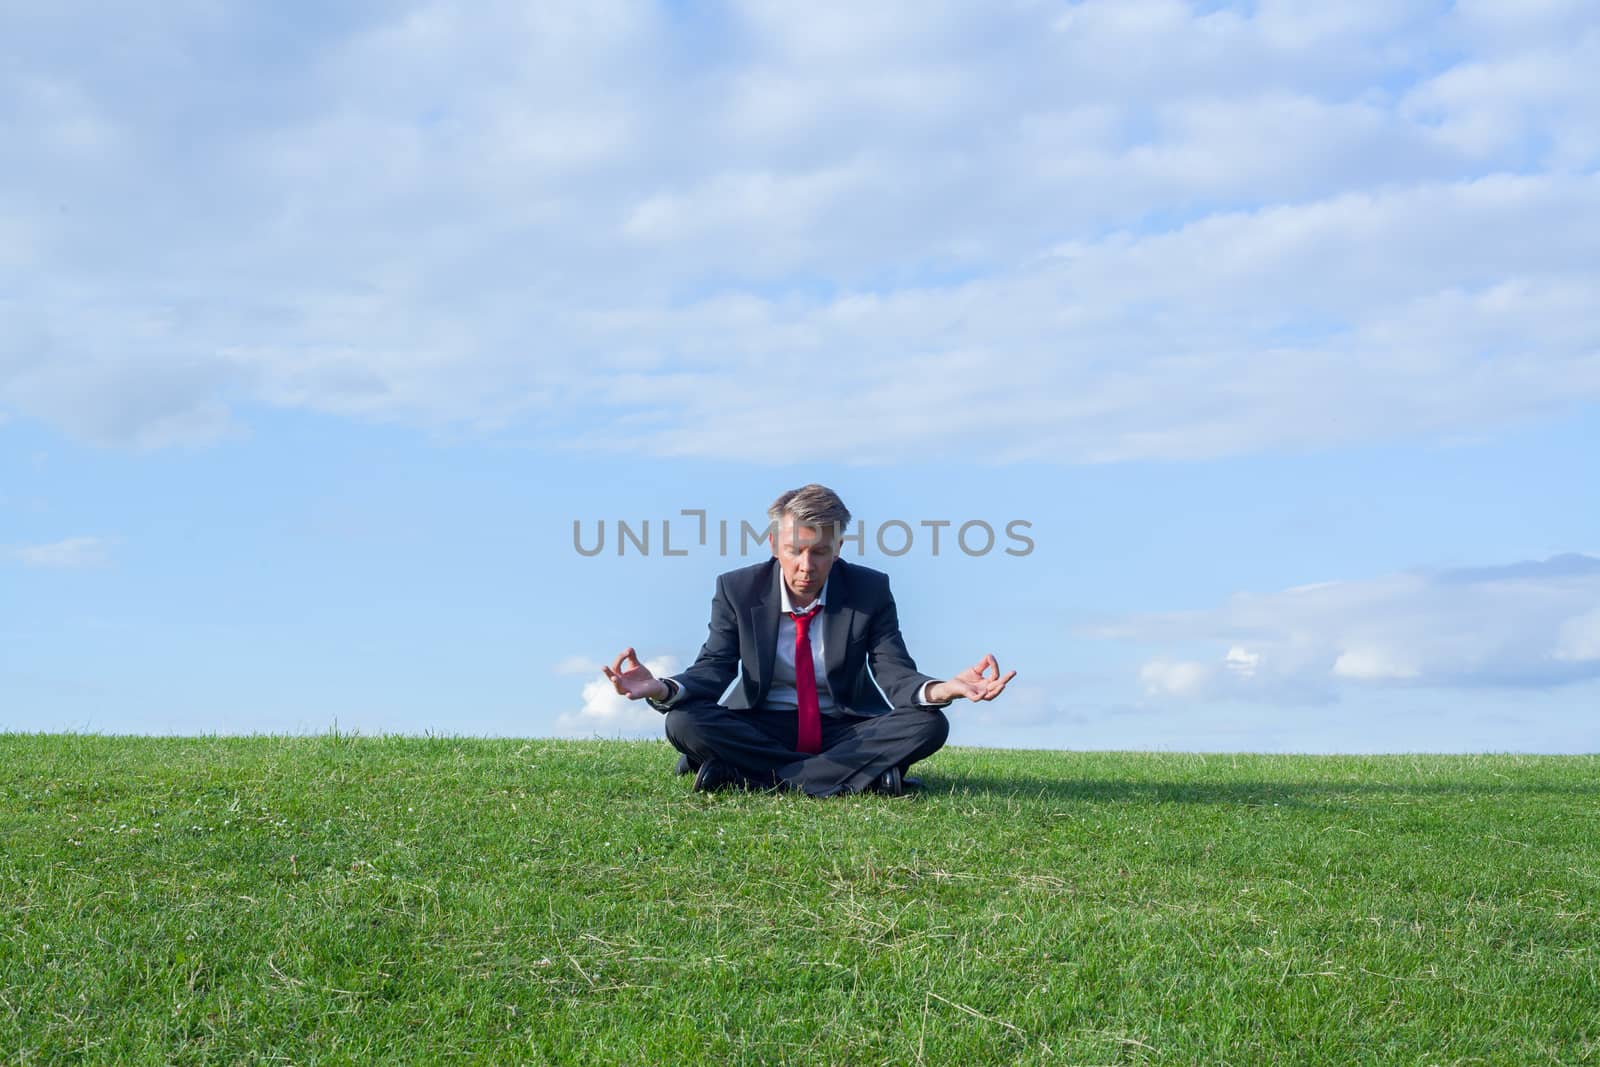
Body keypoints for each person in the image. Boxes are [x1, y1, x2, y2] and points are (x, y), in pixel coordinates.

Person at [603, 484, 1014, 796]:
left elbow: (894, 672)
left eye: (819, 551)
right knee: (683, 720)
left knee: (929, 724)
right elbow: (715, 668)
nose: (806, 565)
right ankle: (864, 780)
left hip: (844, 727)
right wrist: (663, 688)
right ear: (773, 545)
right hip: (763, 724)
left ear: (838, 547)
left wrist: (945, 689)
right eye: (795, 549)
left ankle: (740, 775)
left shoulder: (869, 591)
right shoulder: (737, 590)